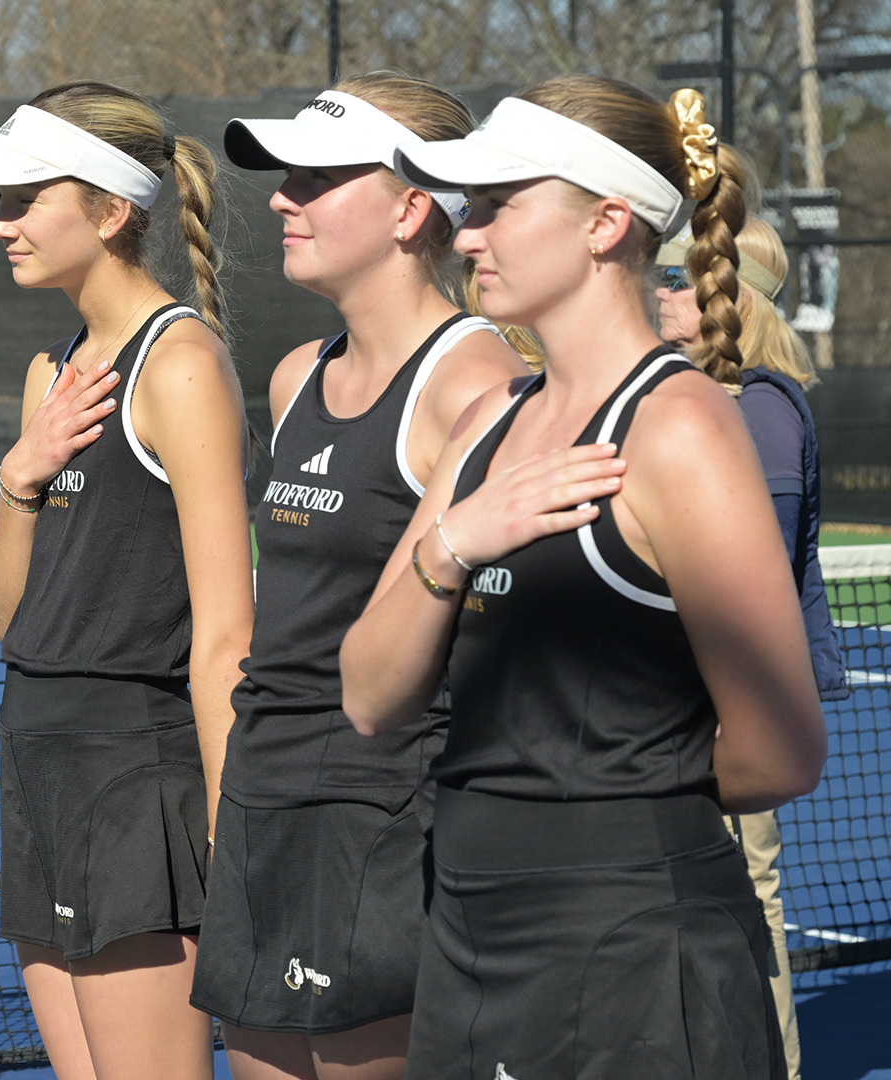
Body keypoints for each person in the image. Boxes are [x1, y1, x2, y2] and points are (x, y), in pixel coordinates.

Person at [340, 77, 826, 1079]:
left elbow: (780, 751)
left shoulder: (682, 427)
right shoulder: (485, 425)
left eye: (498, 206)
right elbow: (369, 694)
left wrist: (608, 808)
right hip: (465, 934)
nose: (467, 236)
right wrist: (452, 543)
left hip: (639, 956)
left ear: (607, 223)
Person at [190, 74, 528, 1080]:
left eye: (317, 178)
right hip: (264, 797)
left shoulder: (475, 382)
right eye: (284, 179)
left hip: (387, 814)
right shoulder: (296, 376)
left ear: (410, 207)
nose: (283, 199)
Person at [0, 82, 252, 1080]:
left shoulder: (181, 363)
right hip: (42, 761)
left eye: (26, 200)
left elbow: (225, 629)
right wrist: (19, 483)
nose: (1, 226)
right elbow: (19, 618)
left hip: (134, 772)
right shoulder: (52, 372)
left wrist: (231, 830)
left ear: (114, 211)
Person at [655, 207, 849, 1080]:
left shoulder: (762, 411)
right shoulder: (700, 397)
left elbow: (746, 588)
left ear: (728, 303)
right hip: (682, 704)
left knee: (747, 901)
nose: (657, 295)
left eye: (673, 282)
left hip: (730, 710)